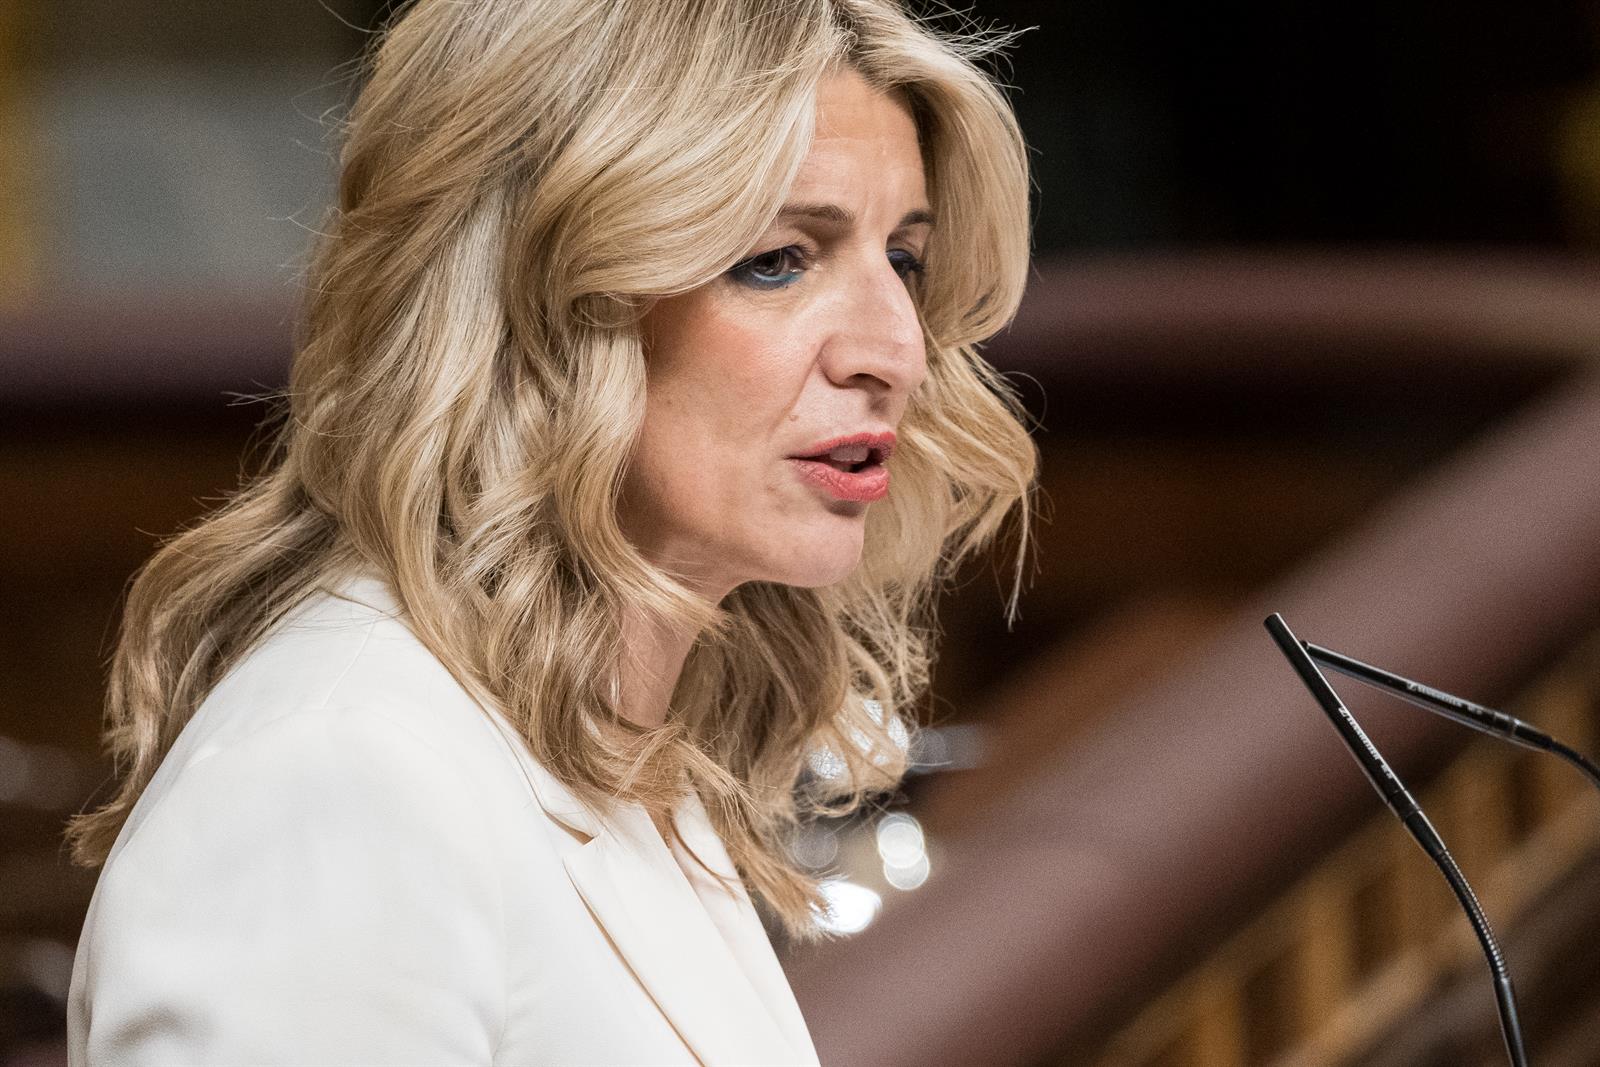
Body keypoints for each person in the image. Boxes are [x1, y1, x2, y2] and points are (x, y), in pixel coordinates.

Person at [63, 0, 1036, 1062]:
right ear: (536, 300)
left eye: (903, 258)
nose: (896, 350)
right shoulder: (338, 776)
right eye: (778, 259)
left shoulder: (623, 748)